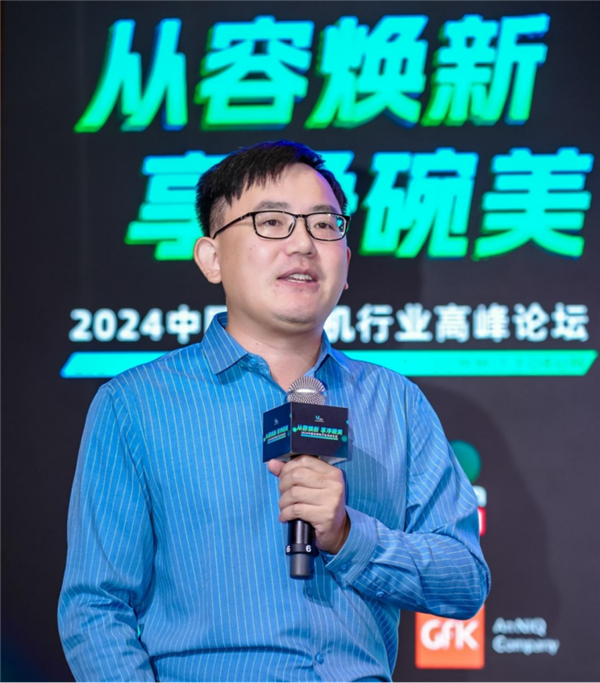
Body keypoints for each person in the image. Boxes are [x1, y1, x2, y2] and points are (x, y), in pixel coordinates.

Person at [58, 140, 490, 682]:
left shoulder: (395, 402)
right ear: (212, 258)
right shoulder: (136, 404)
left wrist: (348, 534)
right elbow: (96, 606)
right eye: (272, 223)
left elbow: (464, 580)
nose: (303, 244)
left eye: (324, 225)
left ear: (346, 263)